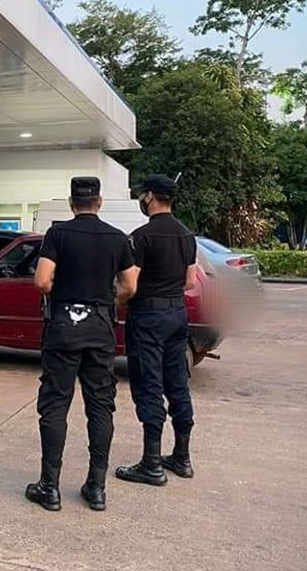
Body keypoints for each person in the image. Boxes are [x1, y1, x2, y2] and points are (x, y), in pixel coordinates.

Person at [26, 177, 138, 512]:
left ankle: (49, 487)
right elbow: (130, 286)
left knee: (55, 404)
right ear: (99, 202)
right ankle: (96, 487)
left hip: (63, 325)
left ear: (71, 203)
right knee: (101, 406)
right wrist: (106, 302)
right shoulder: (118, 238)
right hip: (100, 326)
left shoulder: (58, 235)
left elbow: (41, 281)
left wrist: (62, 291)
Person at [115, 174, 198, 487]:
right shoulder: (186, 235)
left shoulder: (141, 237)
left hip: (148, 316)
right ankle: (182, 457)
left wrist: (117, 300)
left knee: (149, 384)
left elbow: (129, 285)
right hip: (177, 313)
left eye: (143, 194)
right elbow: (190, 281)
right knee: (177, 383)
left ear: (150, 196)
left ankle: (151, 464)